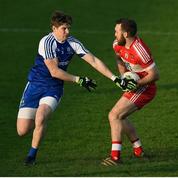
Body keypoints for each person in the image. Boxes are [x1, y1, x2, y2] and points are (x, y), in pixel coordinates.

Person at [16, 11, 126, 166]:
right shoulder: (47, 42)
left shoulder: (72, 42)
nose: (67, 32)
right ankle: (38, 126)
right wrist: (79, 80)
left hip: (53, 89)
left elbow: (93, 60)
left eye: (68, 28)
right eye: (63, 29)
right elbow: (54, 71)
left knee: (41, 116)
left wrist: (115, 79)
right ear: (54, 28)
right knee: (22, 130)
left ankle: (31, 156)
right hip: (35, 85)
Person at [101, 18, 159, 166]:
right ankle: (138, 150)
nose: (114, 34)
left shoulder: (140, 50)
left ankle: (115, 157)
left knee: (114, 115)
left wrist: (135, 83)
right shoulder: (117, 44)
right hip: (135, 84)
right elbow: (119, 58)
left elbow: (155, 75)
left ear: (125, 34)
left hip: (146, 88)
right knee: (120, 116)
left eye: (117, 31)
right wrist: (123, 77)